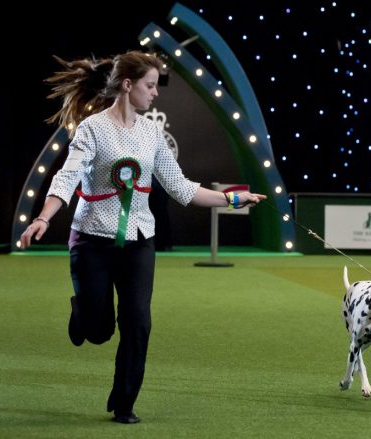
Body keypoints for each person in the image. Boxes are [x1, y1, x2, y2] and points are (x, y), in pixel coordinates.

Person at [20, 51, 265, 425]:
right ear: (128, 85)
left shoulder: (152, 133)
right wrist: (42, 217)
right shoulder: (91, 129)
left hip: (139, 241)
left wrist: (233, 198)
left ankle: (124, 403)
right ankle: (83, 315)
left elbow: (182, 188)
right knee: (99, 331)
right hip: (91, 240)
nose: (155, 94)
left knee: (137, 322)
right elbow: (67, 176)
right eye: (150, 86)